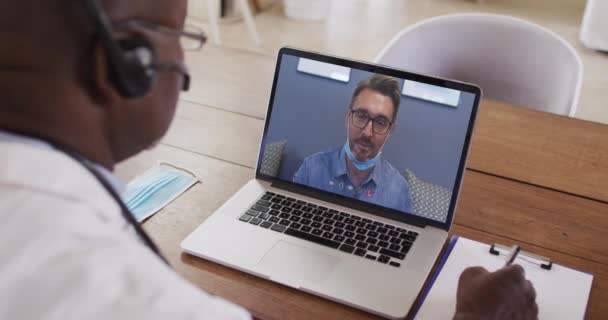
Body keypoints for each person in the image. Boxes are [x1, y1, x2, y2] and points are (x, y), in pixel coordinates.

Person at [0, 1, 538, 319]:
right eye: (182, 37)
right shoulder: (128, 297)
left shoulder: (403, 191)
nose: (366, 130)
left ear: (390, 130)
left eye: (379, 122)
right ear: (126, 63)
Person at [293, 75, 412, 213]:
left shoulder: (399, 192)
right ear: (348, 118)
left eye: (380, 122)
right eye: (361, 116)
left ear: (390, 132)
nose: (367, 133)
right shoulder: (311, 170)